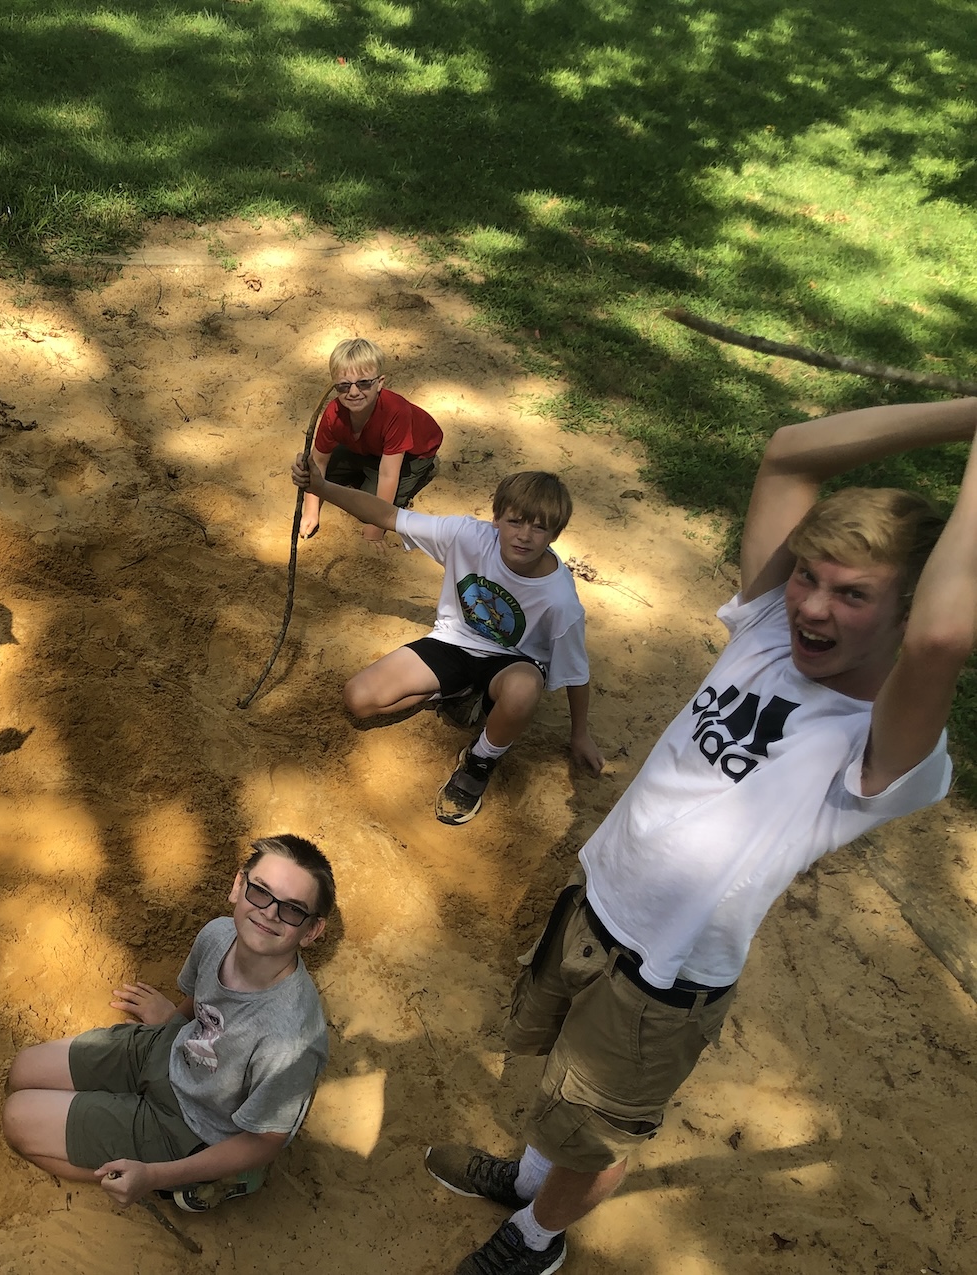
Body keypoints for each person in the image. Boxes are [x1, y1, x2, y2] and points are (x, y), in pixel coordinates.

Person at [423, 397, 977, 1275]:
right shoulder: (767, 630)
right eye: (809, 575)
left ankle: (537, 1237)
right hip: (598, 903)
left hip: (665, 974)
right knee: (562, 1073)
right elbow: (790, 454)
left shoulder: (877, 743)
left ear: (905, 613)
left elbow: (945, 636)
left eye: (853, 594)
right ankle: (528, 1179)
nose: (813, 605)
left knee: (598, 1129)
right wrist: (966, 413)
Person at [0, 836, 333, 1210]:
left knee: (17, 1118)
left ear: (311, 931)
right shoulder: (218, 935)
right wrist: (171, 1020)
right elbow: (203, 1004)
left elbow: (266, 1140)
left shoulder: (291, 1038)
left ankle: (195, 1180)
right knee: (22, 1070)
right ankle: (130, 1128)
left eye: (292, 909)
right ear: (238, 885)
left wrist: (155, 1175)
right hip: (171, 1049)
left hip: (193, 1128)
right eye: (260, 891)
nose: (269, 912)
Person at [293, 455, 602, 824]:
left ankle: (480, 759)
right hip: (454, 642)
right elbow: (388, 515)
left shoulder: (560, 600)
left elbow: (577, 672)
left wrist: (580, 734)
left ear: (555, 535)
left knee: (522, 690)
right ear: (496, 518)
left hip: (513, 663)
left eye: (539, 528)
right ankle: (456, 690)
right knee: (358, 699)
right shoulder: (467, 536)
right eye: (515, 521)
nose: (524, 535)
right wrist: (321, 487)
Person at [300, 337, 443, 545]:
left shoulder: (396, 411)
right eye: (344, 386)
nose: (354, 392)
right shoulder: (334, 413)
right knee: (322, 478)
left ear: (380, 383)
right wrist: (311, 512)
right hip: (368, 447)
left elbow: (388, 474)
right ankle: (366, 472)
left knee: (368, 510)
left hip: (414, 454)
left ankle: (424, 470)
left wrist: (376, 529)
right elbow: (318, 462)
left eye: (364, 383)